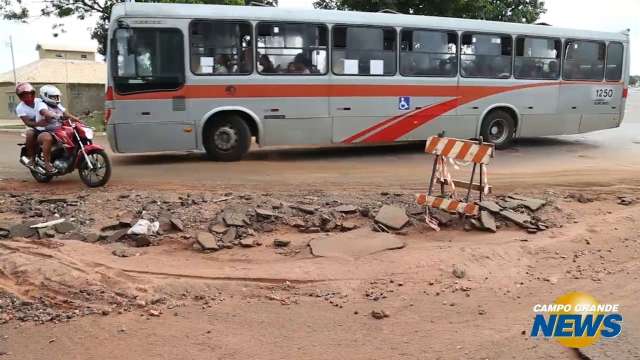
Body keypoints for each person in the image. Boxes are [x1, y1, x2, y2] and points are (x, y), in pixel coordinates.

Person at [35, 85, 80, 173]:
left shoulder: (57, 105)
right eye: (53, 97)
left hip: (58, 130)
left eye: (57, 97)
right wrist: (54, 115)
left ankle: (69, 157)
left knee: (74, 133)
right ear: (45, 96)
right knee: (47, 138)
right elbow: (44, 112)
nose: (55, 99)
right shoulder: (41, 104)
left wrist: (77, 119)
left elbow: (65, 114)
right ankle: (47, 163)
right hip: (44, 130)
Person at [15, 83, 47, 168]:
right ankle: (31, 157)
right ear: (20, 97)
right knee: (30, 134)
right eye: (24, 95)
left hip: (47, 125)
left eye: (29, 94)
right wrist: (39, 124)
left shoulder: (40, 101)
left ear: (33, 93)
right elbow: (27, 122)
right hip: (32, 127)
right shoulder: (20, 108)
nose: (27, 97)